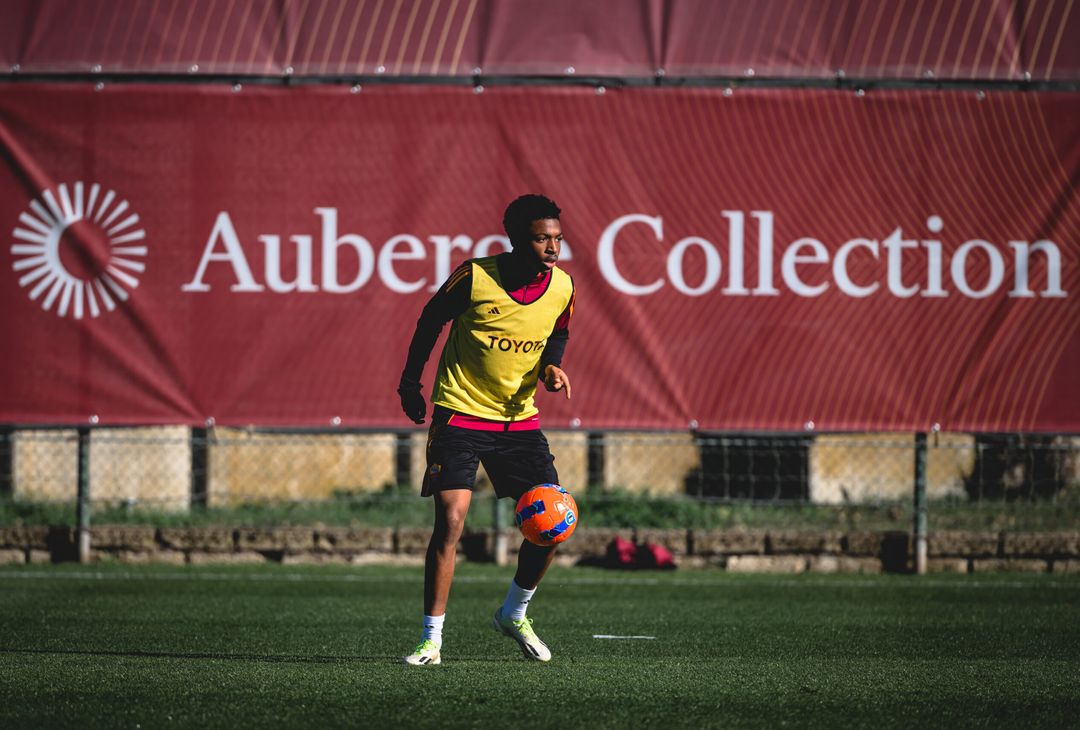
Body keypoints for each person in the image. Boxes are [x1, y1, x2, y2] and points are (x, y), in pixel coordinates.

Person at [397, 194, 575, 666]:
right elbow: (430, 320)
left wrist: (551, 367)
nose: (552, 247)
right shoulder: (476, 276)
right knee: (451, 522)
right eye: (541, 238)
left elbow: (557, 331)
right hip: (460, 414)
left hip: (520, 421)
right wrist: (410, 382)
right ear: (517, 240)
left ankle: (514, 613)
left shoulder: (562, 287)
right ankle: (430, 640)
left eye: (557, 238)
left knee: (553, 525)